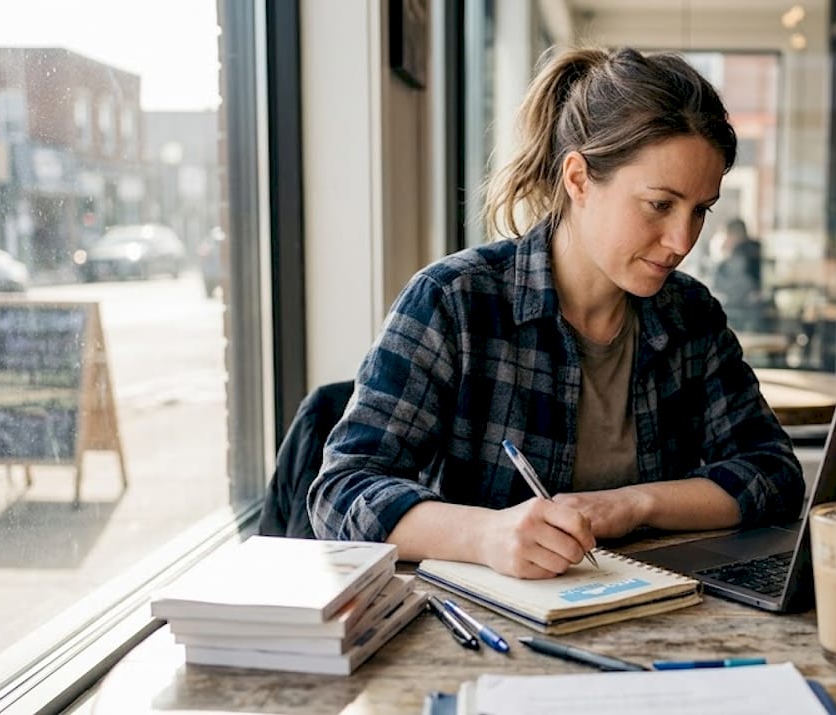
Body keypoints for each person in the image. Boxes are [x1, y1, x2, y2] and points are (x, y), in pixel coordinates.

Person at [309, 46, 804, 578]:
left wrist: (634, 504)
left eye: (700, 210)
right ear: (578, 179)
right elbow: (342, 492)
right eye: (660, 205)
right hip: (485, 615)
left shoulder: (691, 316)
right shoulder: (454, 300)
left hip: (654, 607)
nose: (682, 241)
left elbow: (773, 473)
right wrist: (485, 535)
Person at [711, 217, 764, 327]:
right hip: (754, 315)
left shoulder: (739, 260)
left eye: (726, 235)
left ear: (734, 235)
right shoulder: (756, 253)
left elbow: (722, 288)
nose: (724, 240)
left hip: (741, 317)